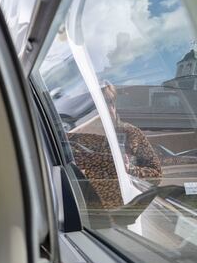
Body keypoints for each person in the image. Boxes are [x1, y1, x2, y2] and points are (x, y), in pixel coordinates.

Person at [66, 82, 161, 210]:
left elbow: (157, 175)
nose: (105, 109)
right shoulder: (75, 136)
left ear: (114, 106)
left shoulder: (130, 133)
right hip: (85, 211)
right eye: (97, 105)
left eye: (109, 102)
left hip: (122, 210)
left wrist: (129, 170)